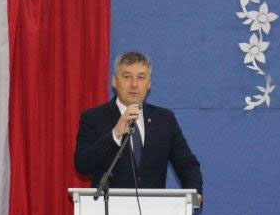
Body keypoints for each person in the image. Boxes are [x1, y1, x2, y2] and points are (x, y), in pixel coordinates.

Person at [74, 51, 203, 197]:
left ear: (149, 84)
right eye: (127, 76)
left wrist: (194, 193)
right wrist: (115, 134)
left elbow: (187, 164)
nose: (134, 84)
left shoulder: (165, 119)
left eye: (141, 77)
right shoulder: (93, 117)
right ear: (114, 81)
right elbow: (82, 165)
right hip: (108, 208)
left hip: (154, 208)